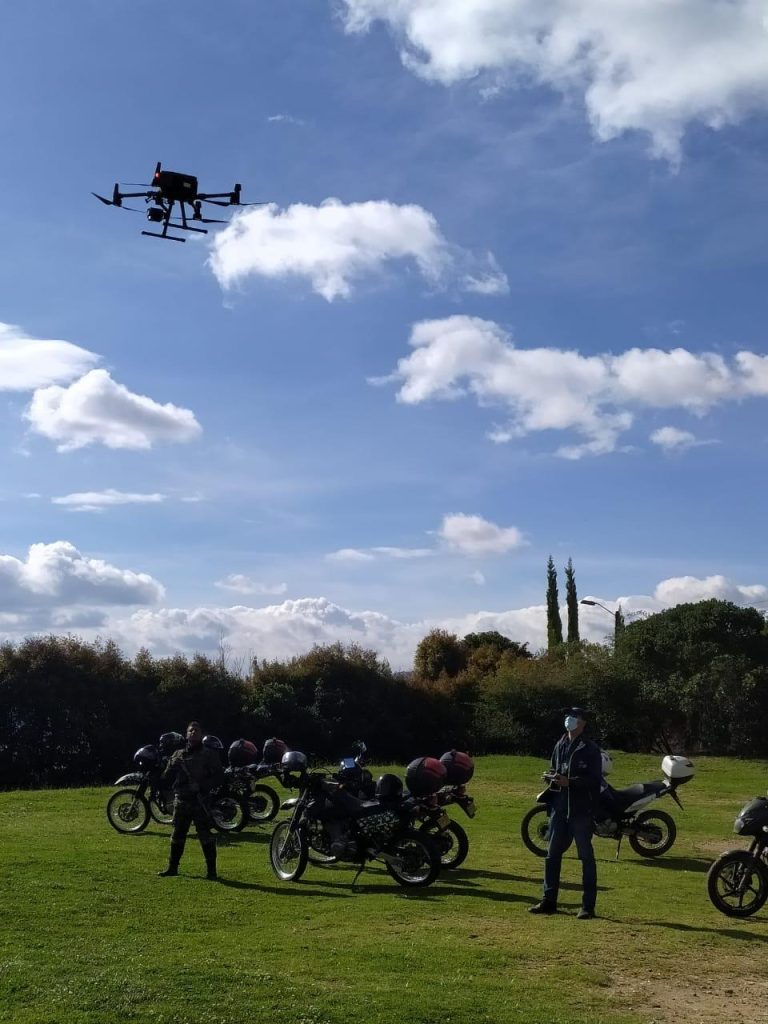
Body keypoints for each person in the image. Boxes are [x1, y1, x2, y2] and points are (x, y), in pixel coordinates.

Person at [528, 706, 602, 919]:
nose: (569, 719)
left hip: (580, 811)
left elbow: (594, 781)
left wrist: (570, 782)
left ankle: (588, 906)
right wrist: (551, 777)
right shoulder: (560, 744)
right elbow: (555, 769)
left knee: (586, 858)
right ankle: (548, 900)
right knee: (551, 855)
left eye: (574, 716)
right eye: (568, 716)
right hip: (559, 809)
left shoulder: (590, 748)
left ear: (582, 723)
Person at [158, 721, 225, 880]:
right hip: (181, 801)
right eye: (190, 730)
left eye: (197, 730)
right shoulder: (178, 754)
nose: (193, 732)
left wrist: (202, 786)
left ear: (201, 734)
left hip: (200, 801)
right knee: (177, 835)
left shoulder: (209, 754)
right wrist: (171, 765)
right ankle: (172, 868)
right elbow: (166, 778)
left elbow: (219, 777)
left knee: (205, 836)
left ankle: (211, 872)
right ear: (186, 734)